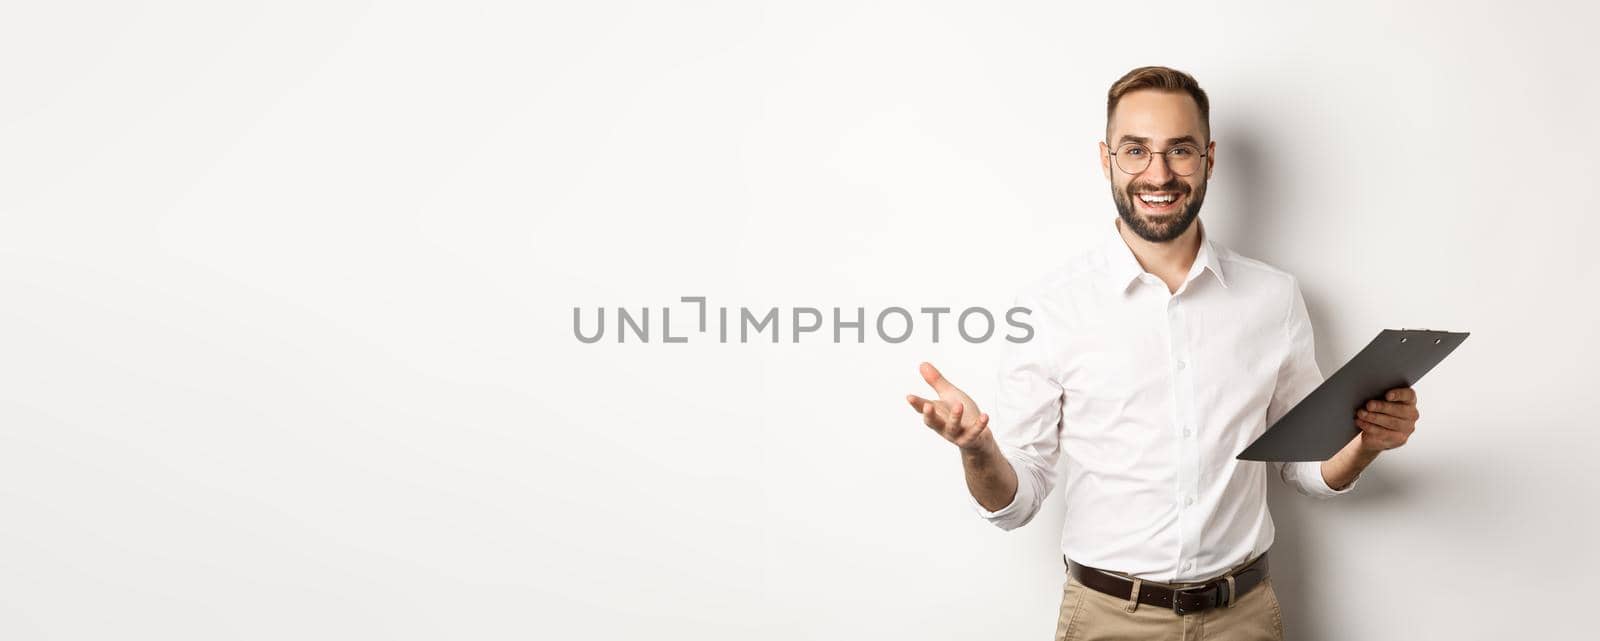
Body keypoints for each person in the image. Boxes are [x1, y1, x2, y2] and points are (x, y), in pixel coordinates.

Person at [904, 66, 1421, 640]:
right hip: (1106, 620)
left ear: (1209, 158)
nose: (1159, 173)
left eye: (1180, 150)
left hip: (1244, 619)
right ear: (1106, 159)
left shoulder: (1275, 298)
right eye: (1135, 151)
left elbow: (1302, 465)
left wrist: (1365, 444)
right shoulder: (1050, 308)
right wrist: (978, 450)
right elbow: (1017, 501)